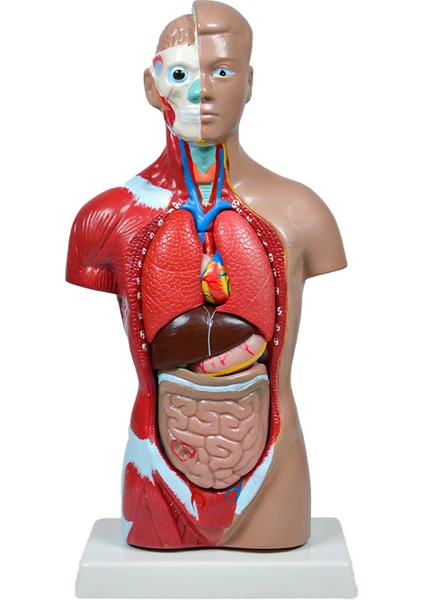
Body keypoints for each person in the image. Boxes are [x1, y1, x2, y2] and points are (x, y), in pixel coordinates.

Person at [66, 1, 346, 549]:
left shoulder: (302, 213)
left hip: (275, 471)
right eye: (180, 74)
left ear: (250, 83)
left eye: (221, 71)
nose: (201, 92)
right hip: (156, 466)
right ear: (151, 87)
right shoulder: (106, 218)